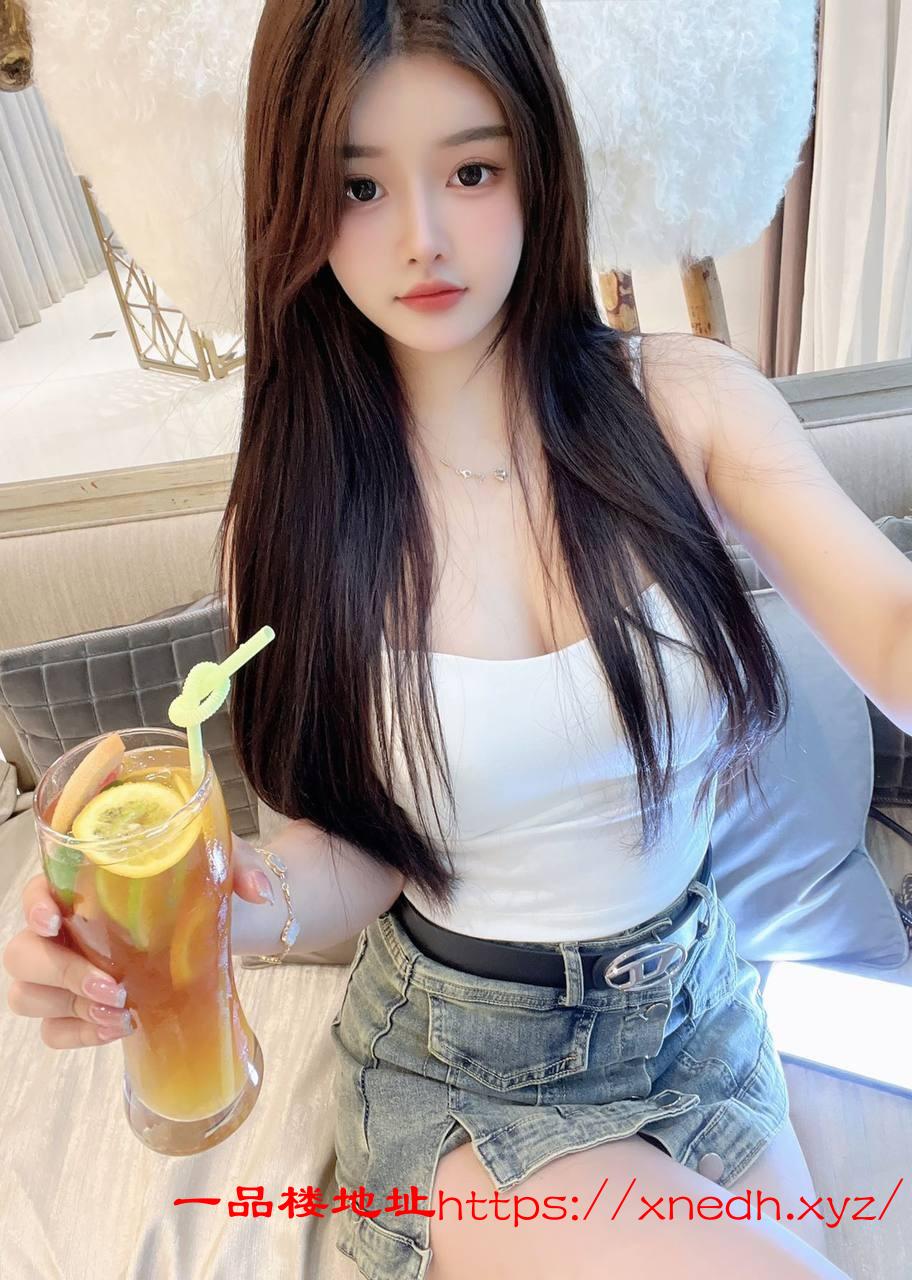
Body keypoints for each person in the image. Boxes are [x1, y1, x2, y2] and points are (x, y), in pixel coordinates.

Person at [4, 3, 854, 1278]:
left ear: (539, 160)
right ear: (296, 198)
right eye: (359, 185)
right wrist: (204, 910)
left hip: (699, 1011)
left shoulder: (688, 406)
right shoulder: (297, 516)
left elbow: (885, 616)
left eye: (471, 169)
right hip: (466, 1066)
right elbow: (349, 852)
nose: (423, 238)